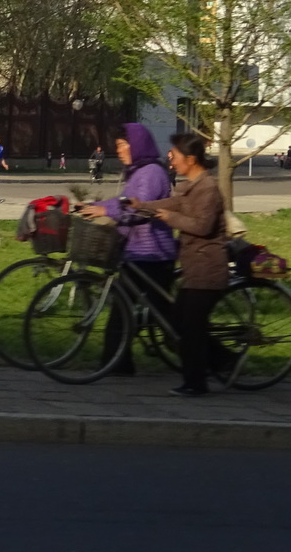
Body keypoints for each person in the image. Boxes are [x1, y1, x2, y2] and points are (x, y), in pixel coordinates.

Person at [126, 132, 230, 396]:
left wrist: (170, 217)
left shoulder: (207, 189)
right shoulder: (193, 185)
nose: (171, 161)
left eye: (174, 156)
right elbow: (174, 202)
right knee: (180, 323)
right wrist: (144, 205)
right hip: (194, 271)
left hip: (207, 271)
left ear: (191, 159)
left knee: (190, 328)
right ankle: (224, 361)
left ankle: (196, 383)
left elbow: (202, 226)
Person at [79, 122, 176, 375]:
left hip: (153, 254)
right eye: (118, 146)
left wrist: (105, 210)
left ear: (138, 145)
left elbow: (139, 209)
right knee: (125, 311)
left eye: (123, 145)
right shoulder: (139, 171)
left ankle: (216, 358)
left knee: (166, 320)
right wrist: (95, 205)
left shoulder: (152, 173)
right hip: (138, 252)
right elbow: (124, 202)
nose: (120, 151)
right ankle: (118, 365)